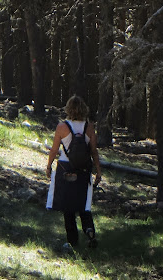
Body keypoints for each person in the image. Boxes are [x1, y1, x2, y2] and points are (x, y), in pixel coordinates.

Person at [46, 94, 102, 250]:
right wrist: (98, 171)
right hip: (84, 169)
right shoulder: (89, 127)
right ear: (84, 109)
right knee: (83, 203)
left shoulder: (62, 127)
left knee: (68, 206)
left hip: (65, 168)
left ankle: (72, 241)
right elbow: (94, 152)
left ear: (68, 109)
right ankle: (89, 230)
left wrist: (49, 166)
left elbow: (55, 149)